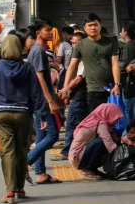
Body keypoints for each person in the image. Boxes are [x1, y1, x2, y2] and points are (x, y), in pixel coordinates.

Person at [0, 35, 46, 204]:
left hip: (1, 115)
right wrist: (42, 115)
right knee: (21, 150)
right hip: (23, 115)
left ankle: (10, 191)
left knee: (7, 152)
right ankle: (19, 188)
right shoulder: (27, 69)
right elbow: (36, 94)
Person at [25, 19, 62, 184]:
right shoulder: (39, 51)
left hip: (37, 100)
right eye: (47, 30)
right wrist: (50, 101)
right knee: (53, 135)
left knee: (41, 137)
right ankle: (25, 162)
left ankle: (40, 173)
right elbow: (40, 77)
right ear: (38, 32)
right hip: (41, 101)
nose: (50, 33)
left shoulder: (35, 50)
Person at [62, 13, 121, 113]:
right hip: (94, 90)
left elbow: (115, 63)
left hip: (111, 89)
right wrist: (65, 87)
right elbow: (72, 66)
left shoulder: (111, 42)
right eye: (90, 25)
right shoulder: (80, 45)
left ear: (100, 26)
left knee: (113, 123)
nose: (93, 27)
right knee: (97, 122)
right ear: (85, 28)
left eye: (95, 24)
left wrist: (117, 84)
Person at [54, 31, 88, 161]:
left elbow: (78, 79)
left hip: (81, 96)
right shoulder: (76, 58)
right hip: (76, 95)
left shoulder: (84, 59)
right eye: (72, 43)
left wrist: (66, 89)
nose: (74, 46)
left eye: (77, 43)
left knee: (72, 124)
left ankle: (67, 151)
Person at [69, 103, 123, 179]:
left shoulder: (95, 120)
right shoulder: (100, 122)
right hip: (77, 159)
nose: (116, 121)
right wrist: (119, 153)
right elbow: (106, 138)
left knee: (108, 141)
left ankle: (93, 169)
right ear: (109, 113)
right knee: (102, 142)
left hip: (78, 157)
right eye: (115, 118)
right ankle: (88, 169)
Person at [120, 21, 135, 122]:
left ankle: (128, 134)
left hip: (129, 82)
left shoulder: (129, 45)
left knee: (126, 110)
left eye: (121, 30)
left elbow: (126, 65)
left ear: (125, 33)